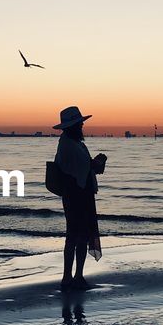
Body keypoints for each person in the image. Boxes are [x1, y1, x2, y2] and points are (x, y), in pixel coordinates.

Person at [53, 105, 106, 290]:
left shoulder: (71, 143)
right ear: (73, 126)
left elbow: (82, 167)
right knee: (77, 236)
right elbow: (84, 167)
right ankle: (71, 277)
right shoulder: (70, 144)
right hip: (77, 196)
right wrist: (97, 163)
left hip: (78, 194)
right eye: (79, 124)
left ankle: (74, 276)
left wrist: (94, 164)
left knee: (77, 236)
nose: (82, 127)